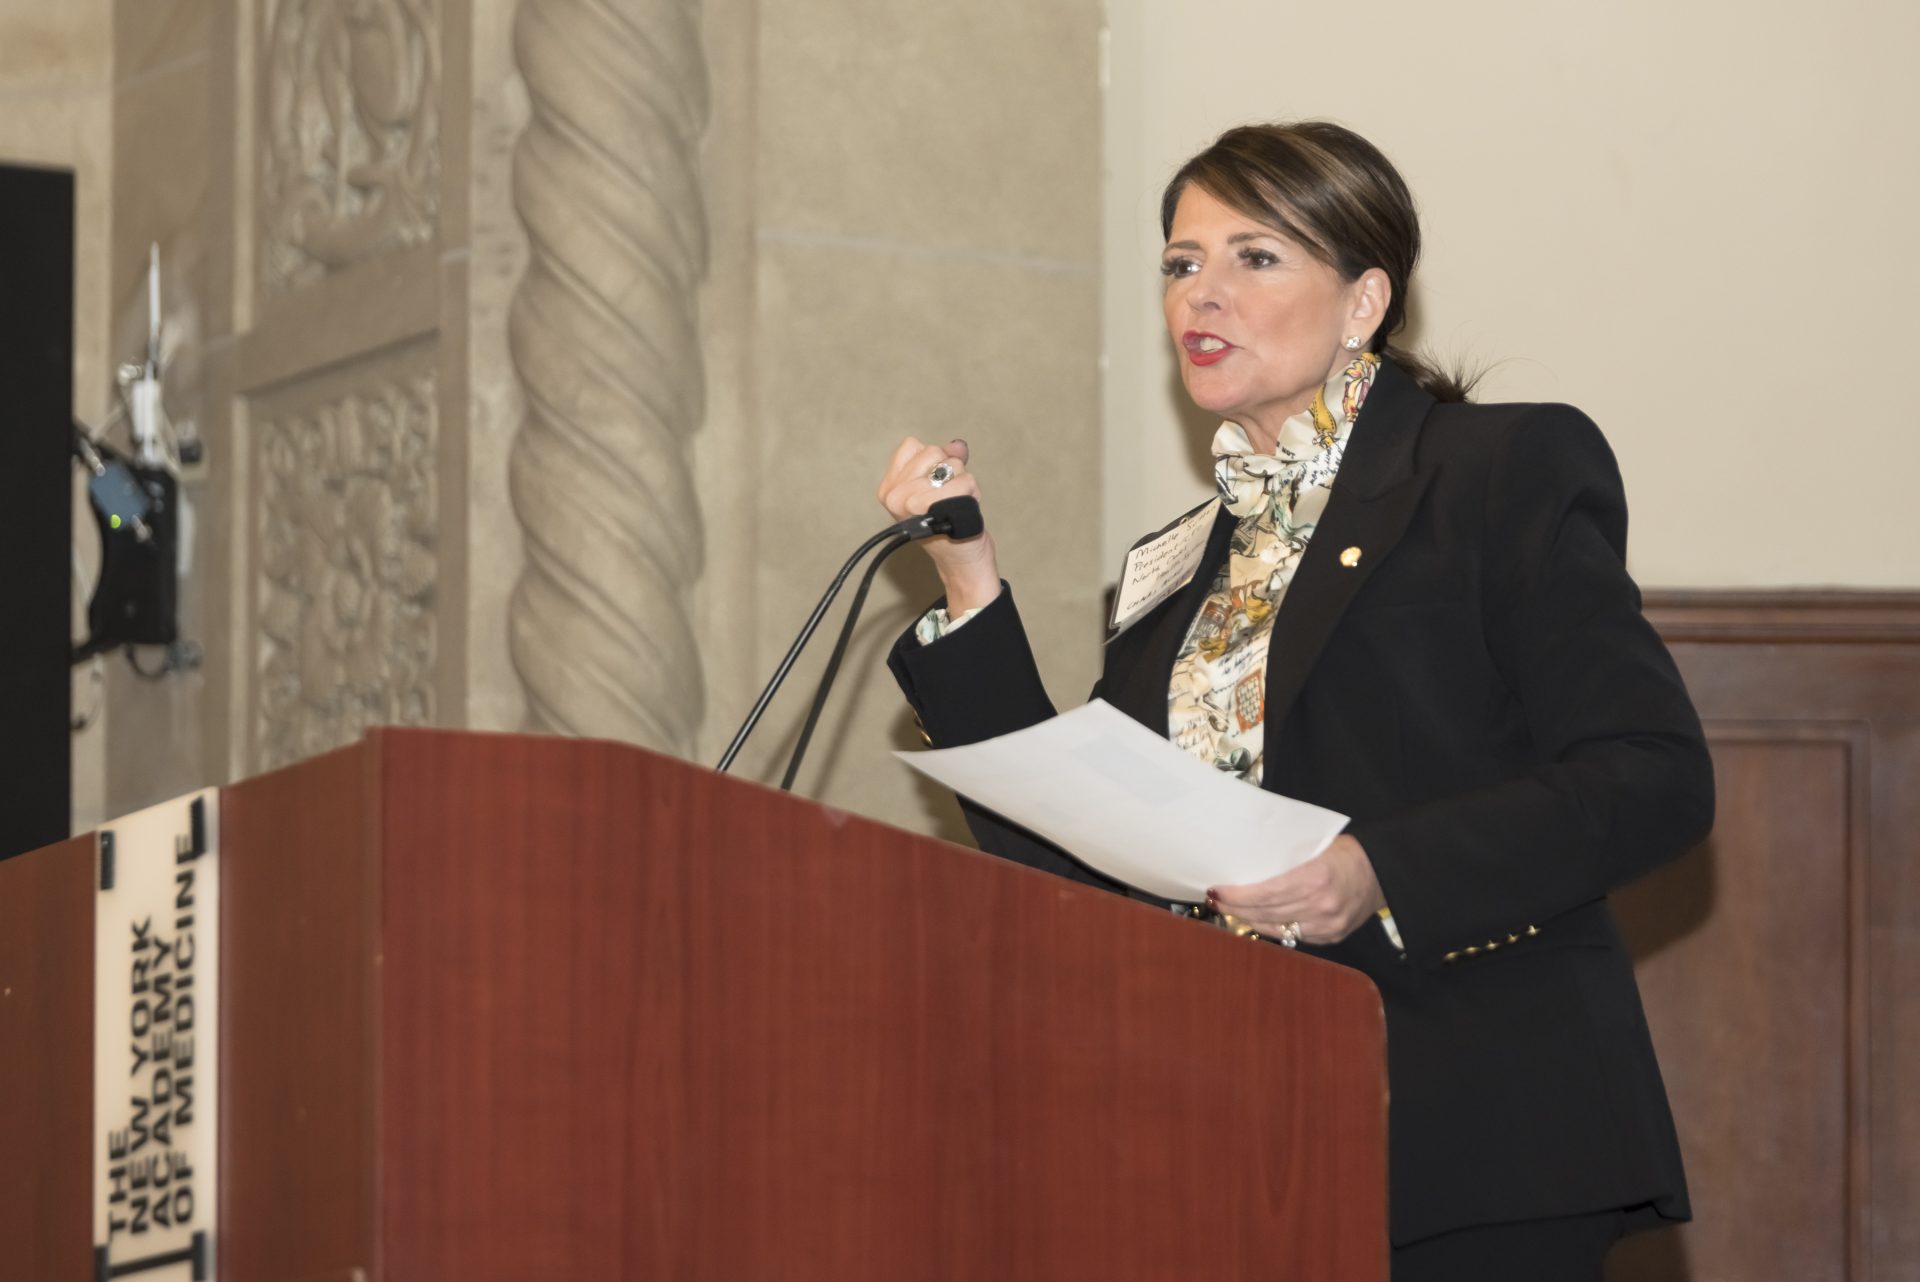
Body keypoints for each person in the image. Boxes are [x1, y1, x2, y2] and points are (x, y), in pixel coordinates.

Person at [876, 120, 1714, 1281]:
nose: (1201, 293)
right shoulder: (1173, 565)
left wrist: (1376, 870)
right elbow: (1077, 851)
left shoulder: (1493, 470)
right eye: (1181, 263)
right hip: (1215, 1135)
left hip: (1468, 1124)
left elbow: (1652, 776)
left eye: (1255, 256)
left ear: (1364, 299)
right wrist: (970, 583)